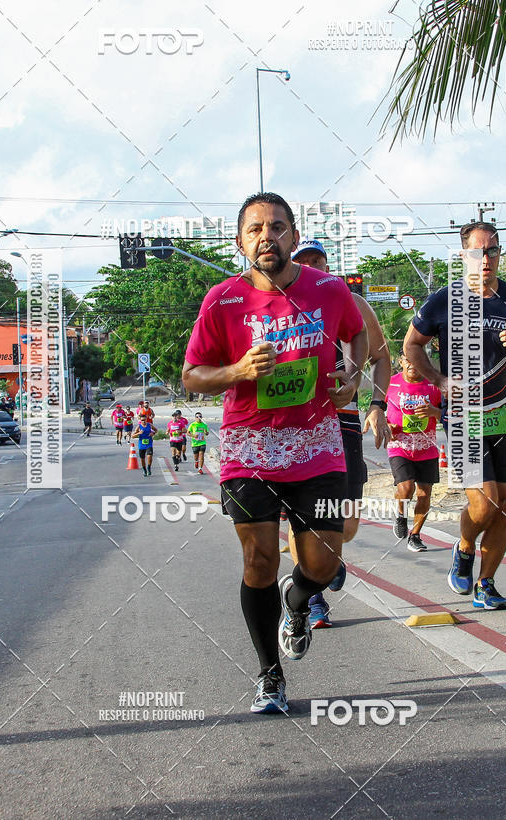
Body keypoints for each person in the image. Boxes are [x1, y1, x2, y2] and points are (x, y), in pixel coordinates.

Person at [182, 192, 368, 714]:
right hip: (249, 448)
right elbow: (192, 375)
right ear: (241, 241)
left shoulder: (329, 290)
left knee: (324, 560)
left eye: (278, 227)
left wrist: (350, 377)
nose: (268, 236)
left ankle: (298, 599)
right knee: (259, 559)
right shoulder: (222, 300)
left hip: (316, 443)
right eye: (256, 229)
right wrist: (237, 371)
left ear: (293, 234)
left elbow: (355, 338)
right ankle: (270, 674)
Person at [404, 221, 506, 609]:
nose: (486, 259)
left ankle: (486, 583)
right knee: (485, 504)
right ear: (463, 254)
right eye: (477, 252)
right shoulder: (443, 301)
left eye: (493, 251)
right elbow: (412, 344)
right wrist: (438, 379)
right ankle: (465, 548)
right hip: (464, 415)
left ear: (500, 253)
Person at [287, 239, 392, 628]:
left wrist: (377, 405)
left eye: (319, 261)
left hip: (343, 421)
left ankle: (328, 557)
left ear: (329, 266)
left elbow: (382, 358)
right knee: (301, 519)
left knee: (344, 523)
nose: (312, 267)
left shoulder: (351, 302)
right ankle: (309, 601)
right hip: (296, 426)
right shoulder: (281, 305)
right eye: (304, 262)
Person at [386, 351, 442, 552]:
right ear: (401, 361)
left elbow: (451, 413)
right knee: (407, 487)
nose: (412, 364)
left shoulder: (434, 385)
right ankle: (401, 515)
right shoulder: (389, 383)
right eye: (407, 360)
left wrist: (435, 412)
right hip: (399, 446)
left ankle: (415, 535)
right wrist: (385, 426)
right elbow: (376, 411)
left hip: (426, 448)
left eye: (416, 359)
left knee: (424, 494)